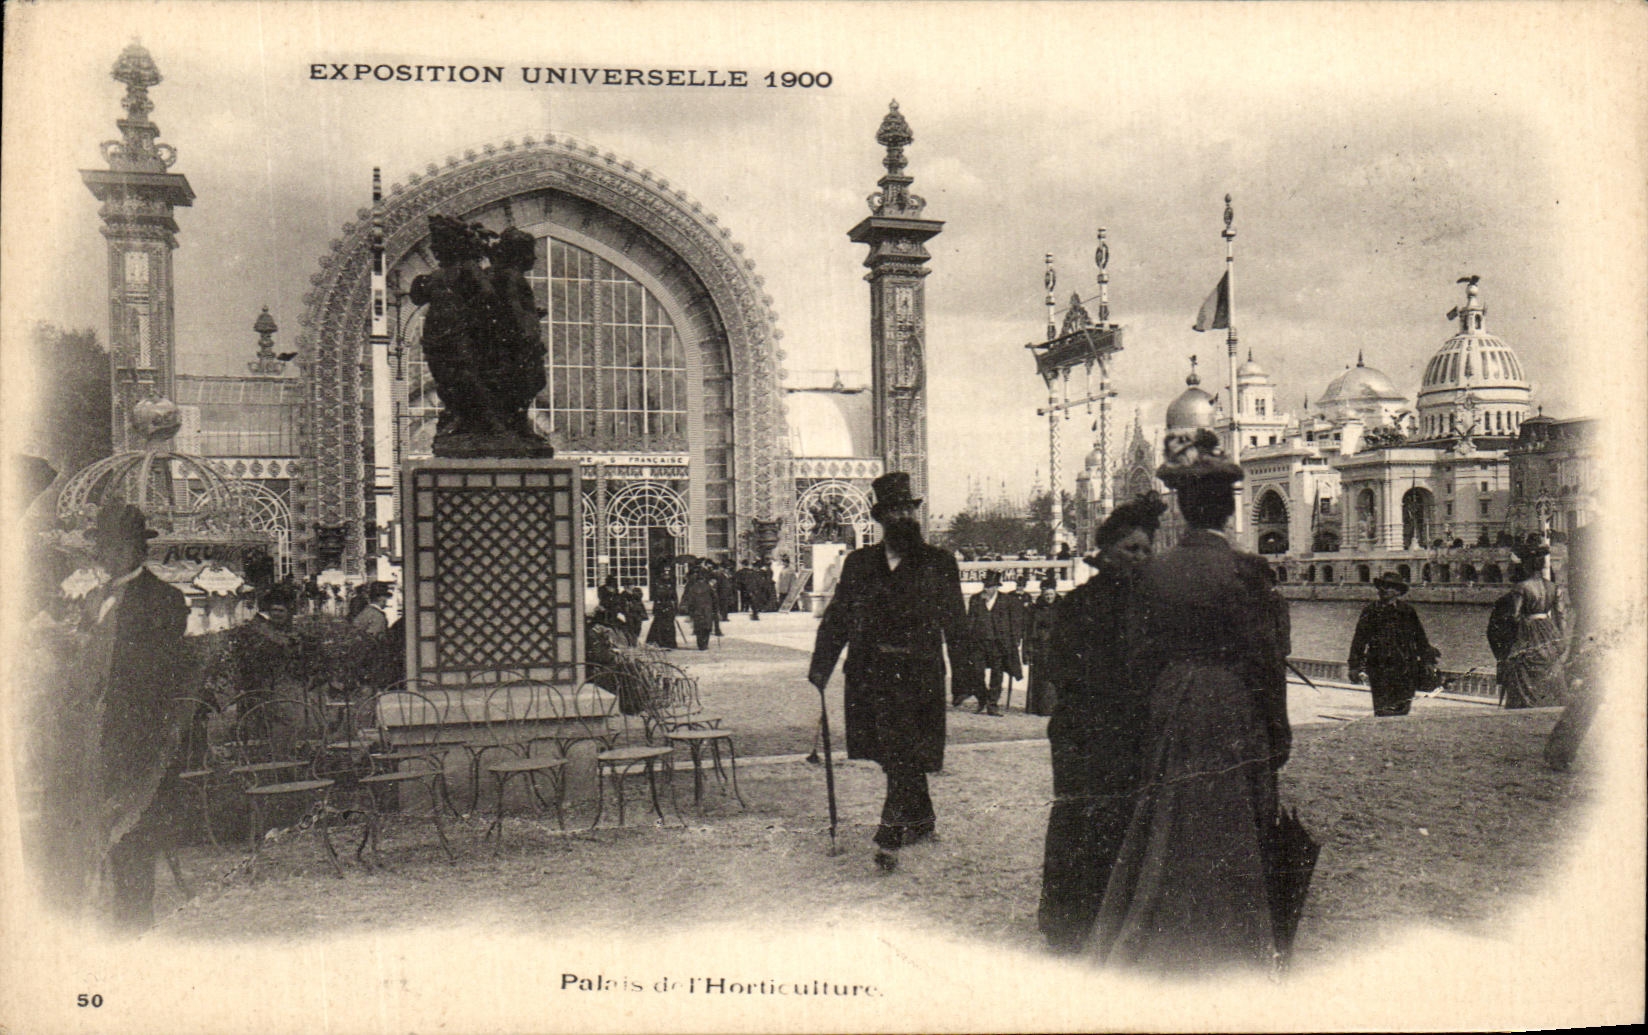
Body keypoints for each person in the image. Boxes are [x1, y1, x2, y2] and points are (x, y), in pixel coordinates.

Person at [1088, 429, 1291, 974]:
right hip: (1232, 704)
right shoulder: (1249, 571)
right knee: (1233, 820)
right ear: (1227, 511)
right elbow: (1267, 661)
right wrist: (1279, 732)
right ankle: (1232, 940)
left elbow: (1137, 658)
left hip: (1173, 701)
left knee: (1169, 815)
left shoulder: (1153, 573)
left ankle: (1161, 930)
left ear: (1182, 506)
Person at [809, 472, 973, 873]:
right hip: (870, 675)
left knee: (903, 749)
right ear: (881, 518)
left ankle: (890, 830)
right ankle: (920, 819)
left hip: (918, 675)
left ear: (915, 515)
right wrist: (820, 667)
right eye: (894, 510)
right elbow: (839, 617)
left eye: (908, 509)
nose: (903, 516)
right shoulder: (860, 563)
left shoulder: (938, 563)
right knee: (892, 753)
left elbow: (957, 622)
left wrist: (967, 679)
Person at [1037, 494, 1165, 953]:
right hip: (1086, 735)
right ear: (1107, 552)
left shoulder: (1156, 608)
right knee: (1081, 821)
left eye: (1147, 550)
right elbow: (1062, 670)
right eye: (1131, 549)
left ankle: (1119, 920)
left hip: (1133, 734)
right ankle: (1069, 924)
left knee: (1130, 823)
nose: (1140, 558)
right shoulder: (1079, 605)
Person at [85, 502, 192, 931]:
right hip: (95, 737)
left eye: (114, 547)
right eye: (102, 547)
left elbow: (159, 673)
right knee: (98, 837)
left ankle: (135, 928)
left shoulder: (165, 600)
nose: (106, 556)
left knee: (134, 835)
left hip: (139, 736)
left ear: (135, 549)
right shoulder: (95, 599)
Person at [1347, 572, 1439, 717]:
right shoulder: (1371, 611)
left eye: (1389, 587)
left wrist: (1428, 661)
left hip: (1406, 668)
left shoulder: (1407, 611)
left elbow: (1420, 638)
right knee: (1383, 709)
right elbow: (1359, 640)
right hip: (1380, 667)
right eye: (1382, 586)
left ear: (1398, 591)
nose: (1383, 589)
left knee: (1402, 710)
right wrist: (1354, 666)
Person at [1497, 539, 1567, 709]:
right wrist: (1560, 637)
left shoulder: (1521, 587)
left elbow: (1514, 615)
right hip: (1548, 628)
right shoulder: (1553, 587)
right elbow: (1561, 615)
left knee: (1522, 664)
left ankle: (1525, 702)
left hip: (1528, 628)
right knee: (1549, 663)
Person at [963, 570, 1022, 715]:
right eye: (985, 585)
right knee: (977, 672)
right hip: (979, 643)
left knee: (997, 674)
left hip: (999, 644)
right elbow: (970, 621)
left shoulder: (1007, 600)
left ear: (996, 587)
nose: (986, 589)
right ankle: (982, 699)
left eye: (990, 586)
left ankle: (992, 704)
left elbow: (1015, 622)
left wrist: (1015, 640)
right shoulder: (976, 599)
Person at [1023, 576, 1062, 717]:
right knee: (1040, 677)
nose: (1049, 597)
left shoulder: (1063, 607)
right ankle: (1038, 708)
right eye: (1046, 595)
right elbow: (1029, 630)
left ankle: (1054, 708)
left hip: (1058, 647)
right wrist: (1027, 649)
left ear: (1056, 593)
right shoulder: (1035, 609)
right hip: (1040, 647)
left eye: (1051, 594)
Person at [681, 561, 721, 651]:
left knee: (699, 627)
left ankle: (700, 644)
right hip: (707, 609)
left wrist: (689, 611)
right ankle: (705, 643)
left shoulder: (693, 588)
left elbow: (690, 599)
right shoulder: (709, 587)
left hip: (697, 610)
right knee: (707, 627)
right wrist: (716, 609)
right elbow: (715, 599)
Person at [645, 567, 680, 649]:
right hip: (660, 606)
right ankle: (659, 641)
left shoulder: (671, 584)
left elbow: (674, 597)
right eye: (664, 574)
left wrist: (675, 608)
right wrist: (655, 608)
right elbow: (656, 597)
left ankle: (670, 642)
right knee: (659, 625)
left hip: (669, 607)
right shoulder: (658, 584)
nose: (666, 576)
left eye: (668, 574)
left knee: (669, 625)